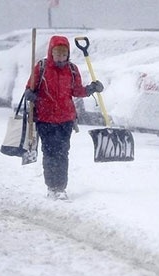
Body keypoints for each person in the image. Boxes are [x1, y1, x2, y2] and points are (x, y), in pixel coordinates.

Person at [24, 35, 104, 200]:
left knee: (62, 153)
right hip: (45, 118)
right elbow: (29, 87)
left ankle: (60, 187)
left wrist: (91, 89)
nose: (60, 57)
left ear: (67, 54)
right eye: (57, 53)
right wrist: (30, 93)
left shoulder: (72, 70)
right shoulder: (41, 67)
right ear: (51, 53)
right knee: (49, 152)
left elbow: (77, 91)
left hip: (65, 119)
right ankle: (51, 186)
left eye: (63, 53)